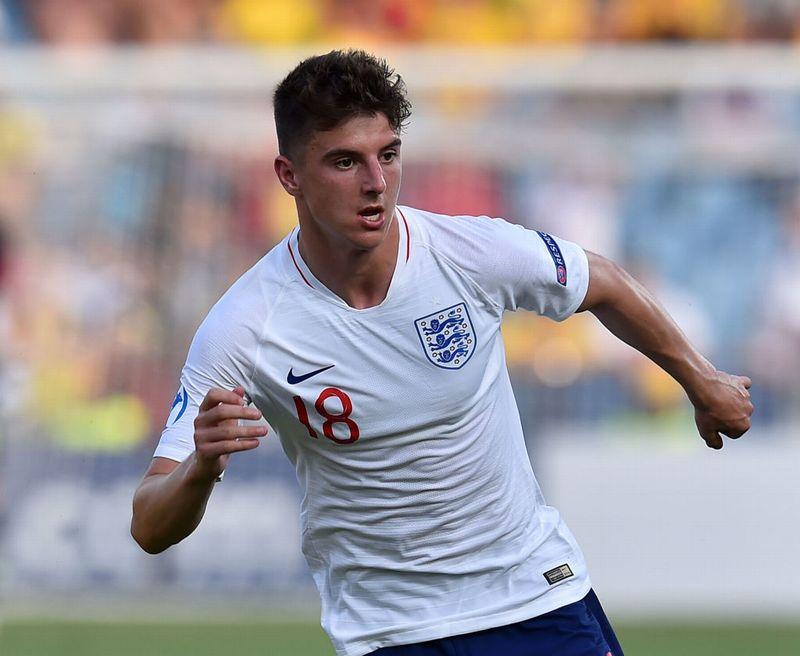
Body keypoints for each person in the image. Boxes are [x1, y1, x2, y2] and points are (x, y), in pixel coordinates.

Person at [131, 50, 753, 656]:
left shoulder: (467, 253)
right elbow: (149, 526)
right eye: (345, 162)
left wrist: (702, 382)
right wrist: (202, 467)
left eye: (388, 155)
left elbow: (604, 282)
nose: (376, 183)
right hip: (388, 632)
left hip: (532, 599)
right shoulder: (246, 324)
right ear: (289, 175)